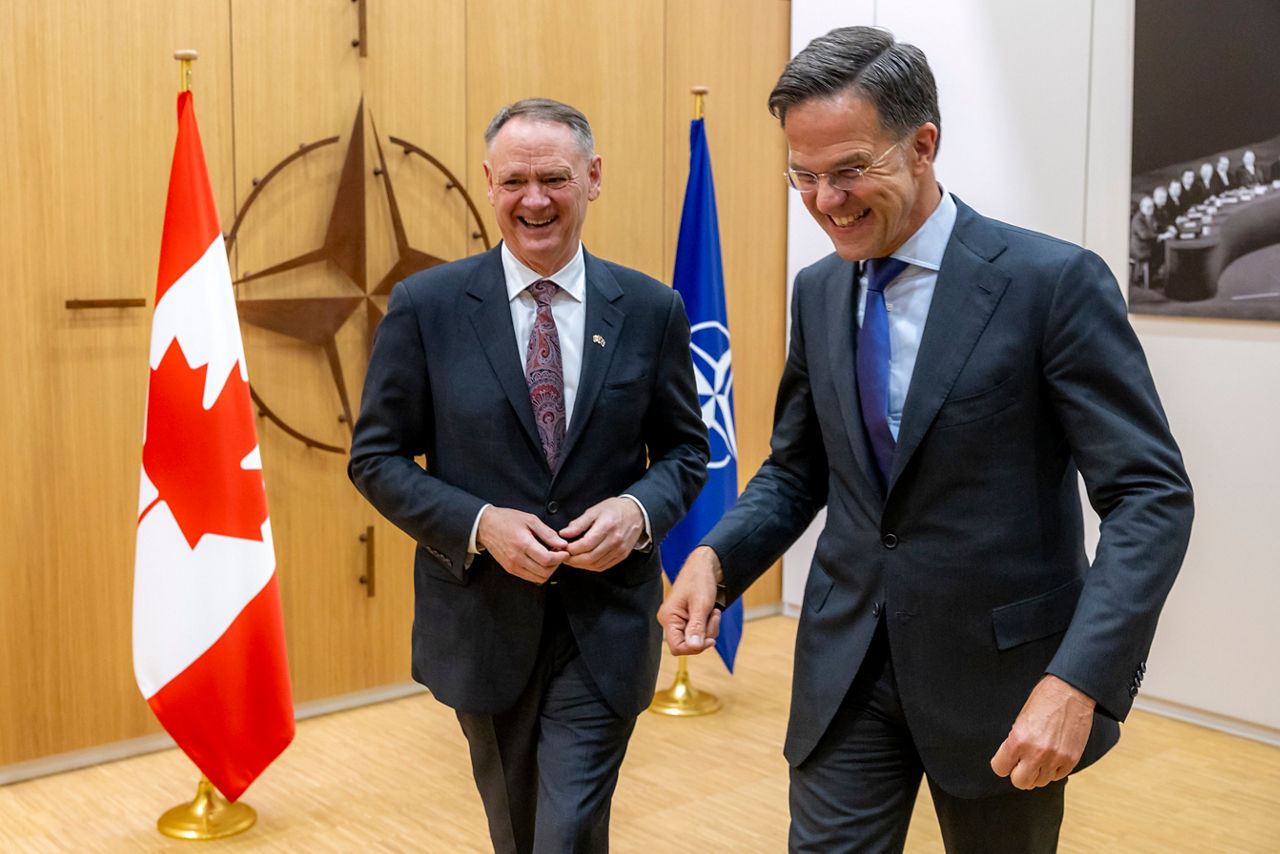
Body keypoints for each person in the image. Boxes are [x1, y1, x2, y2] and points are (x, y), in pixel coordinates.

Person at [659, 26, 1193, 853]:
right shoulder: (819, 291)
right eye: (803, 176)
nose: (824, 201)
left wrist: (1079, 679)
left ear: (922, 145)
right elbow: (799, 469)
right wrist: (717, 558)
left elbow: (1149, 497)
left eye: (848, 172)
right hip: (846, 670)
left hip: (1004, 685)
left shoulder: (1051, 284)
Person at [349, 97, 709, 853]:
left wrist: (638, 512)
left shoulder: (651, 308)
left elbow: (684, 453)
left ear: (593, 178)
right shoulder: (426, 307)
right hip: (482, 626)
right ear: (488, 183)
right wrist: (480, 525)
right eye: (515, 181)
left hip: (606, 624)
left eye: (555, 178)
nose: (534, 200)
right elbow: (375, 459)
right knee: (517, 830)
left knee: (568, 827)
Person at [1130, 195, 1160, 288]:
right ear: (1141, 207)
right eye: (1147, 207)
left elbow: (1158, 226)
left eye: (1151, 207)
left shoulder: (1150, 216)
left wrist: (1166, 230)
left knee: (1162, 250)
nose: (1150, 209)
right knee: (1161, 253)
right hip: (1139, 248)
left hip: (1146, 245)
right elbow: (1145, 235)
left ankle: (1149, 276)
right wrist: (1159, 236)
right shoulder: (1138, 219)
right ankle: (1146, 279)